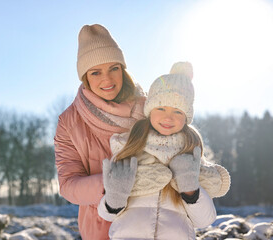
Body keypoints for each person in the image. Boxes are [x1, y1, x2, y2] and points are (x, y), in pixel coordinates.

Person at [98, 62, 231, 239]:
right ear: (149, 110)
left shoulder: (191, 154)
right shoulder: (129, 149)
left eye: (178, 111)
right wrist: (115, 197)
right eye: (160, 108)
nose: (168, 117)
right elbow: (107, 215)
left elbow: (204, 220)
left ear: (186, 117)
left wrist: (191, 189)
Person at [54, 24, 146, 240]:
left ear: (123, 69)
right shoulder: (69, 122)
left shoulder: (151, 108)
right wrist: (110, 182)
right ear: (85, 77)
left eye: (113, 68)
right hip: (103, 227)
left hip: (154, 220)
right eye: (96, 72)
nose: (107, 79)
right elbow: (68, 185)